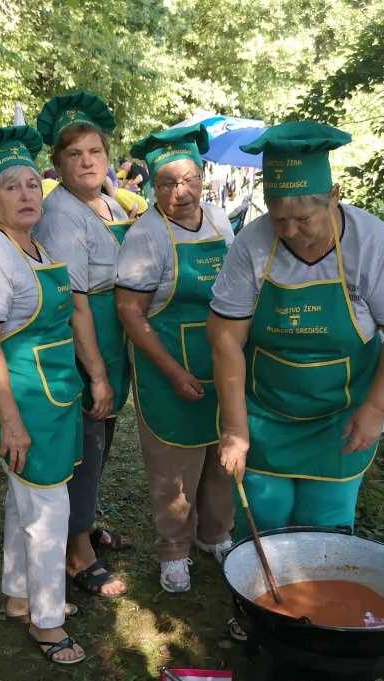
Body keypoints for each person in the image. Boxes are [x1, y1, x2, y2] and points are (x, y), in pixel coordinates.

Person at [209, 120, 384, 539]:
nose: (291, 231)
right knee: (264, 518)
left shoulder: (371, 243)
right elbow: (225, 339)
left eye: (303, 218)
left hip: (341, 418)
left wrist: (376, 408)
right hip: (265, 414)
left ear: (334, 196)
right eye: (279, 219)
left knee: (325, 524)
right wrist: (236, 429)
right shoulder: (253, 244)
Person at [0, 125, 85, 665]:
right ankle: (47, 622)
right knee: (48, 507)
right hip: (20, 397)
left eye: (33, 183)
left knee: (25, 498)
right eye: (12, 187)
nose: (28, 194)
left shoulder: (33, 244)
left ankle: (19, 594)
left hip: (51, 391)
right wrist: (10, 423)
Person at [117, 124, 235, 593]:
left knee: (221, 457)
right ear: (153, 187)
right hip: (166, 365)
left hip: (219, 362)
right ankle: (174, 551)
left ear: (202, 178)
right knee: (174, 470)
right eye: (166, 183)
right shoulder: (145, 236)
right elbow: (130, 311)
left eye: (188, 180)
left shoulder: (220, 221)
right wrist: (172, 371)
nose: (179, 192)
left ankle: (215, 534)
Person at [34, 91, 132, 599]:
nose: (87, 161)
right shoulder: (61, 215)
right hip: (85, 341)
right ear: (57, 164)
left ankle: (83, 522)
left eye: (95, 151)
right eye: (74, 154)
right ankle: (76, 552)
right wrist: (95, 372)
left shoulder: (108, 203)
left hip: (113, 336)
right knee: (86, 446)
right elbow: (73, 302)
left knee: (102, 439)